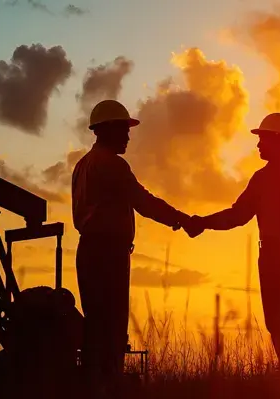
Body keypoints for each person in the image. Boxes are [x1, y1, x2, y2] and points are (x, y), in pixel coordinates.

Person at [183, 112, 280, 390]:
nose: (258, 145)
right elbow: (238, 215)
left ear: (278, 141)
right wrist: (204, 223)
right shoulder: (263, 179)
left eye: (262, 139)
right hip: (273, 257)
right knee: (275, 320)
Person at [71, 99, 191, 398]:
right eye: (124, 130)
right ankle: (108, 387)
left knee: (96, 322)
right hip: (108, 253)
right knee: (111, 324)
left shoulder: (83, 164)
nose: (128, 136)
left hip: (90, 250)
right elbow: (142, 200)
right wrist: (180, 219)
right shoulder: (111, 164)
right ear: (108, 130)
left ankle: (95, 384)